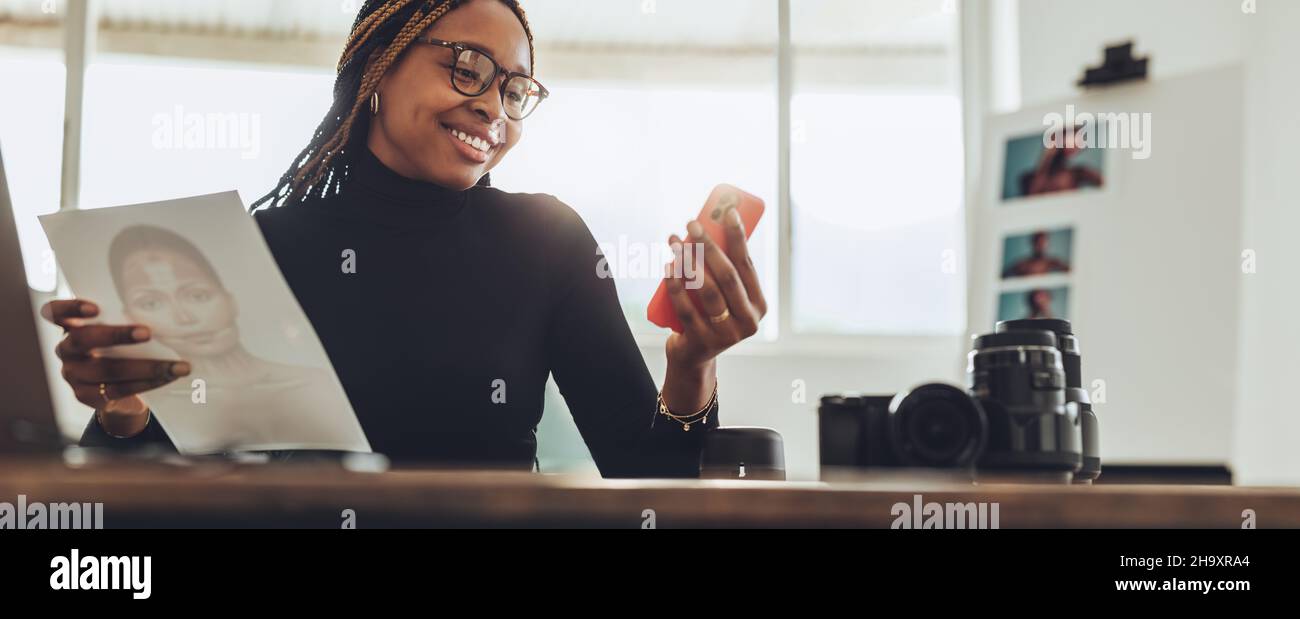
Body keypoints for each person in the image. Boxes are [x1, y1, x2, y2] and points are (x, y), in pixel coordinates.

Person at [39, 0, 767, 477]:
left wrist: (691, 363)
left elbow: (651, 486)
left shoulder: (548, 242)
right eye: (468, 67)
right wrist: (121, 411)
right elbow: (136, 501)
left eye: (515, 90)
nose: (493, 109)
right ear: (380, 65)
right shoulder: (251, 250)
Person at [105, 225, 352, 453]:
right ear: (130, 317)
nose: (184, 317)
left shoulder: (319, 383)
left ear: (229, 299)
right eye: (151, 303)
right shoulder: (150, 406)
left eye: (198, 295)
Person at [1002, 231, 1070, 278]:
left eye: (1043, 242)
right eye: (1038, 242)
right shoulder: (1022, 264)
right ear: (1033, 243)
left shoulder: (1053, 262)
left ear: (1047, 243)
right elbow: (1004, 275)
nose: (1040, 246)